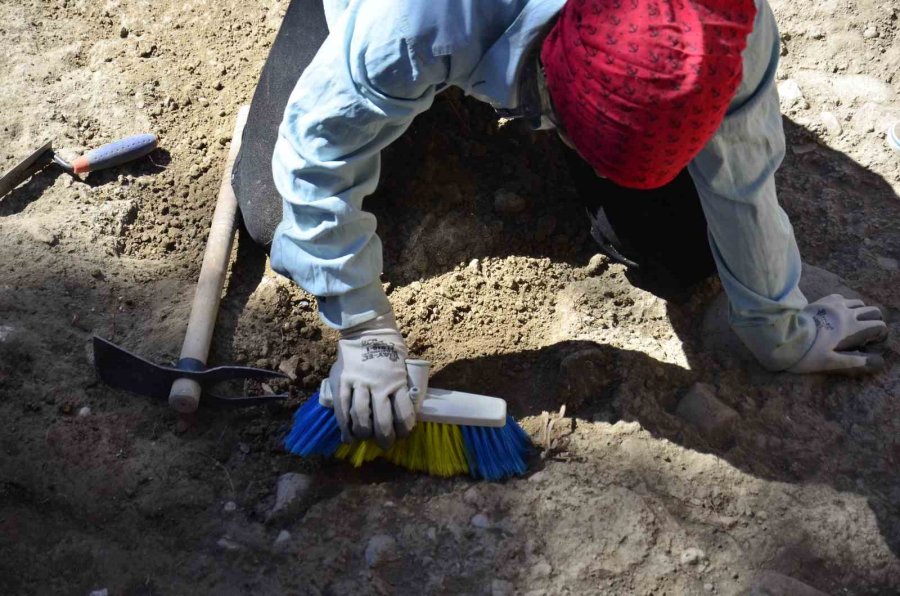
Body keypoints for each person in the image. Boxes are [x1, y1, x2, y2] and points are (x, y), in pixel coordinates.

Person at [232, 0, 888, 449]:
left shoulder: (723, 27)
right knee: (271, 210)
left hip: (594, 61)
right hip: (425, 28)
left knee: (685, 258)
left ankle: (609, 143)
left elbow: (743, 183)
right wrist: (364, 328)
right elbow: (317, 157)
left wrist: (782, 330)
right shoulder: (415, 16)